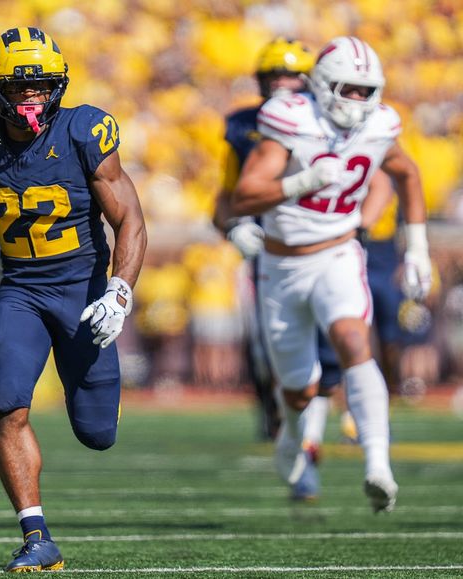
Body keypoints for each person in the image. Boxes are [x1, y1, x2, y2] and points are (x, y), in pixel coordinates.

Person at [0, 27, 146, 572]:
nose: (31, 95)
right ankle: (36, 536)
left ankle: (94, 391)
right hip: (21, 290)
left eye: (41, 85)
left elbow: (129, 217)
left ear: (59, 85)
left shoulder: (84, 130)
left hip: (83, 291)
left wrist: (119, 292)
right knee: (7, 403)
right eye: (18, 86)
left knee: (97, 433)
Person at [232, 36, 432, 513]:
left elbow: (407, 173)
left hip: (339, 253)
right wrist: (303, 180)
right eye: (349, 89)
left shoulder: (380, 125)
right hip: (282, 265)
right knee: (299, 389)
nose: (358, 100)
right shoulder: (292, 118)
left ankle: (378, 465)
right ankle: (292, 435)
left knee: (354, 342)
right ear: (322, 86)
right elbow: (245, 195)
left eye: (367, 90)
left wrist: (418, 248)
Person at [213, 37, 315, 444]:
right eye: (273, 75)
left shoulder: (327, 121)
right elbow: (224, 197)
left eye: (289, 74)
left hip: (319, 241)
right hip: (265, 247)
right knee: (263, 342)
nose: (280, 83)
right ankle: (274, 414)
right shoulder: (244, 126)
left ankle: (336, 413)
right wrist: (234, 227)